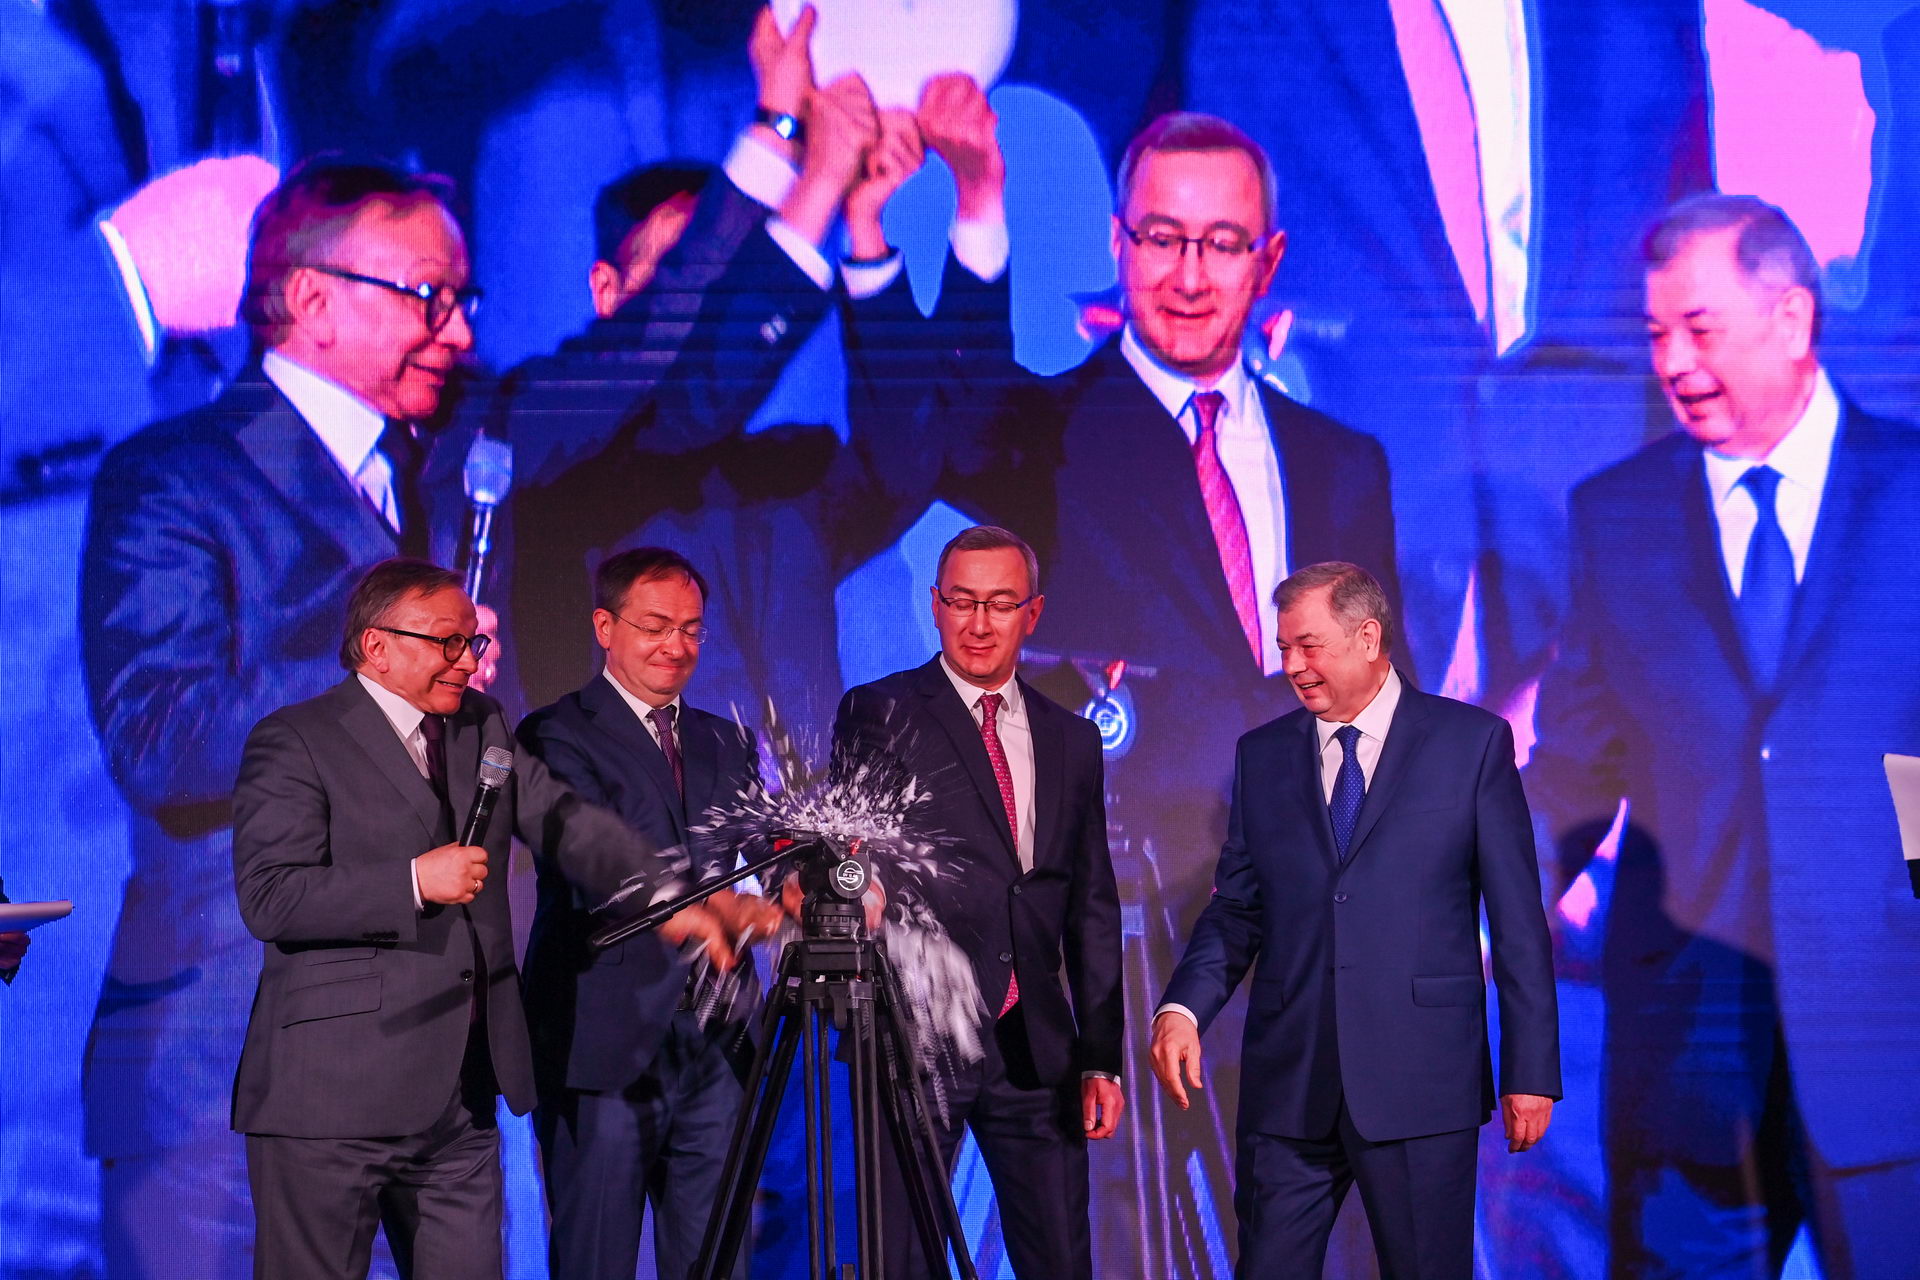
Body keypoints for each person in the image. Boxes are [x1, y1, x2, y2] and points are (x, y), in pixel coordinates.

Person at [77, 155, 497, 1276]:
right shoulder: (175, 475)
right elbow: (159, 736)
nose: (456, 331)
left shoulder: (437, 479)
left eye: (463, 299)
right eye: (428, 296)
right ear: (311, 298)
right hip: (221, 1068)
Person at [1526, 194, 1920, 1278]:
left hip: (1888, 1047)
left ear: (1791, 319)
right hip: (1688, 1072)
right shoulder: (1617, 515)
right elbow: (1572, 771)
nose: (1674, 363)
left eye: (1700, 329)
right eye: (1657, 334)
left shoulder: (1915, 497)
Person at [228, 557, 728, 1277]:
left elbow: (564, 820)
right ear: (377, 646)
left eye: (474, 642)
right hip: (329, 1097)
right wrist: (412, 881)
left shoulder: (481, 725)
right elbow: (271, 896)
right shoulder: (296, 739)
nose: (469, 660)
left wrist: (666, 897)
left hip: (459, 1099)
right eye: (449, 642)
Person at [1150, 560, 1560, 1278]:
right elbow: (1238, 908)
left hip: (1421, 1082)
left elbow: (1518, 920)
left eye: (1308, 646)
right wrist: (1183, 1008)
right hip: (1290, 1084)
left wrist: (1530, 1069)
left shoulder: (1470, 744)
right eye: (1284, 648)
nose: (1291, 666)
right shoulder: (1262, 756)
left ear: (1368, 637)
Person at [830, 524, 1123, 1280]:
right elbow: (852, 860)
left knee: (1061, 1262)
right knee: (903, 1262)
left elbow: (1091, 903)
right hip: (917, 1038)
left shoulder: (1072, 739)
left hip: (1037, 1046)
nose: (980, 623)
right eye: (962, 601)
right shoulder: (880, 712)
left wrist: (1101, 1058)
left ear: (1033, 611)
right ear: (935, 605)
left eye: (1000, 603)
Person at [516, 547, 781, 1280]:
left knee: (715, 1262)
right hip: (602, 1043)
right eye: (656, 626)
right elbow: (585, 849)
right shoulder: (553, 733)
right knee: (595, 1262)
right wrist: (689, 904)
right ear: (605, 627)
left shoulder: (726, 740)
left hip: (719, 1045)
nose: (676, 646)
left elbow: (765, 843)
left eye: (691, 629)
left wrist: (795, 884)